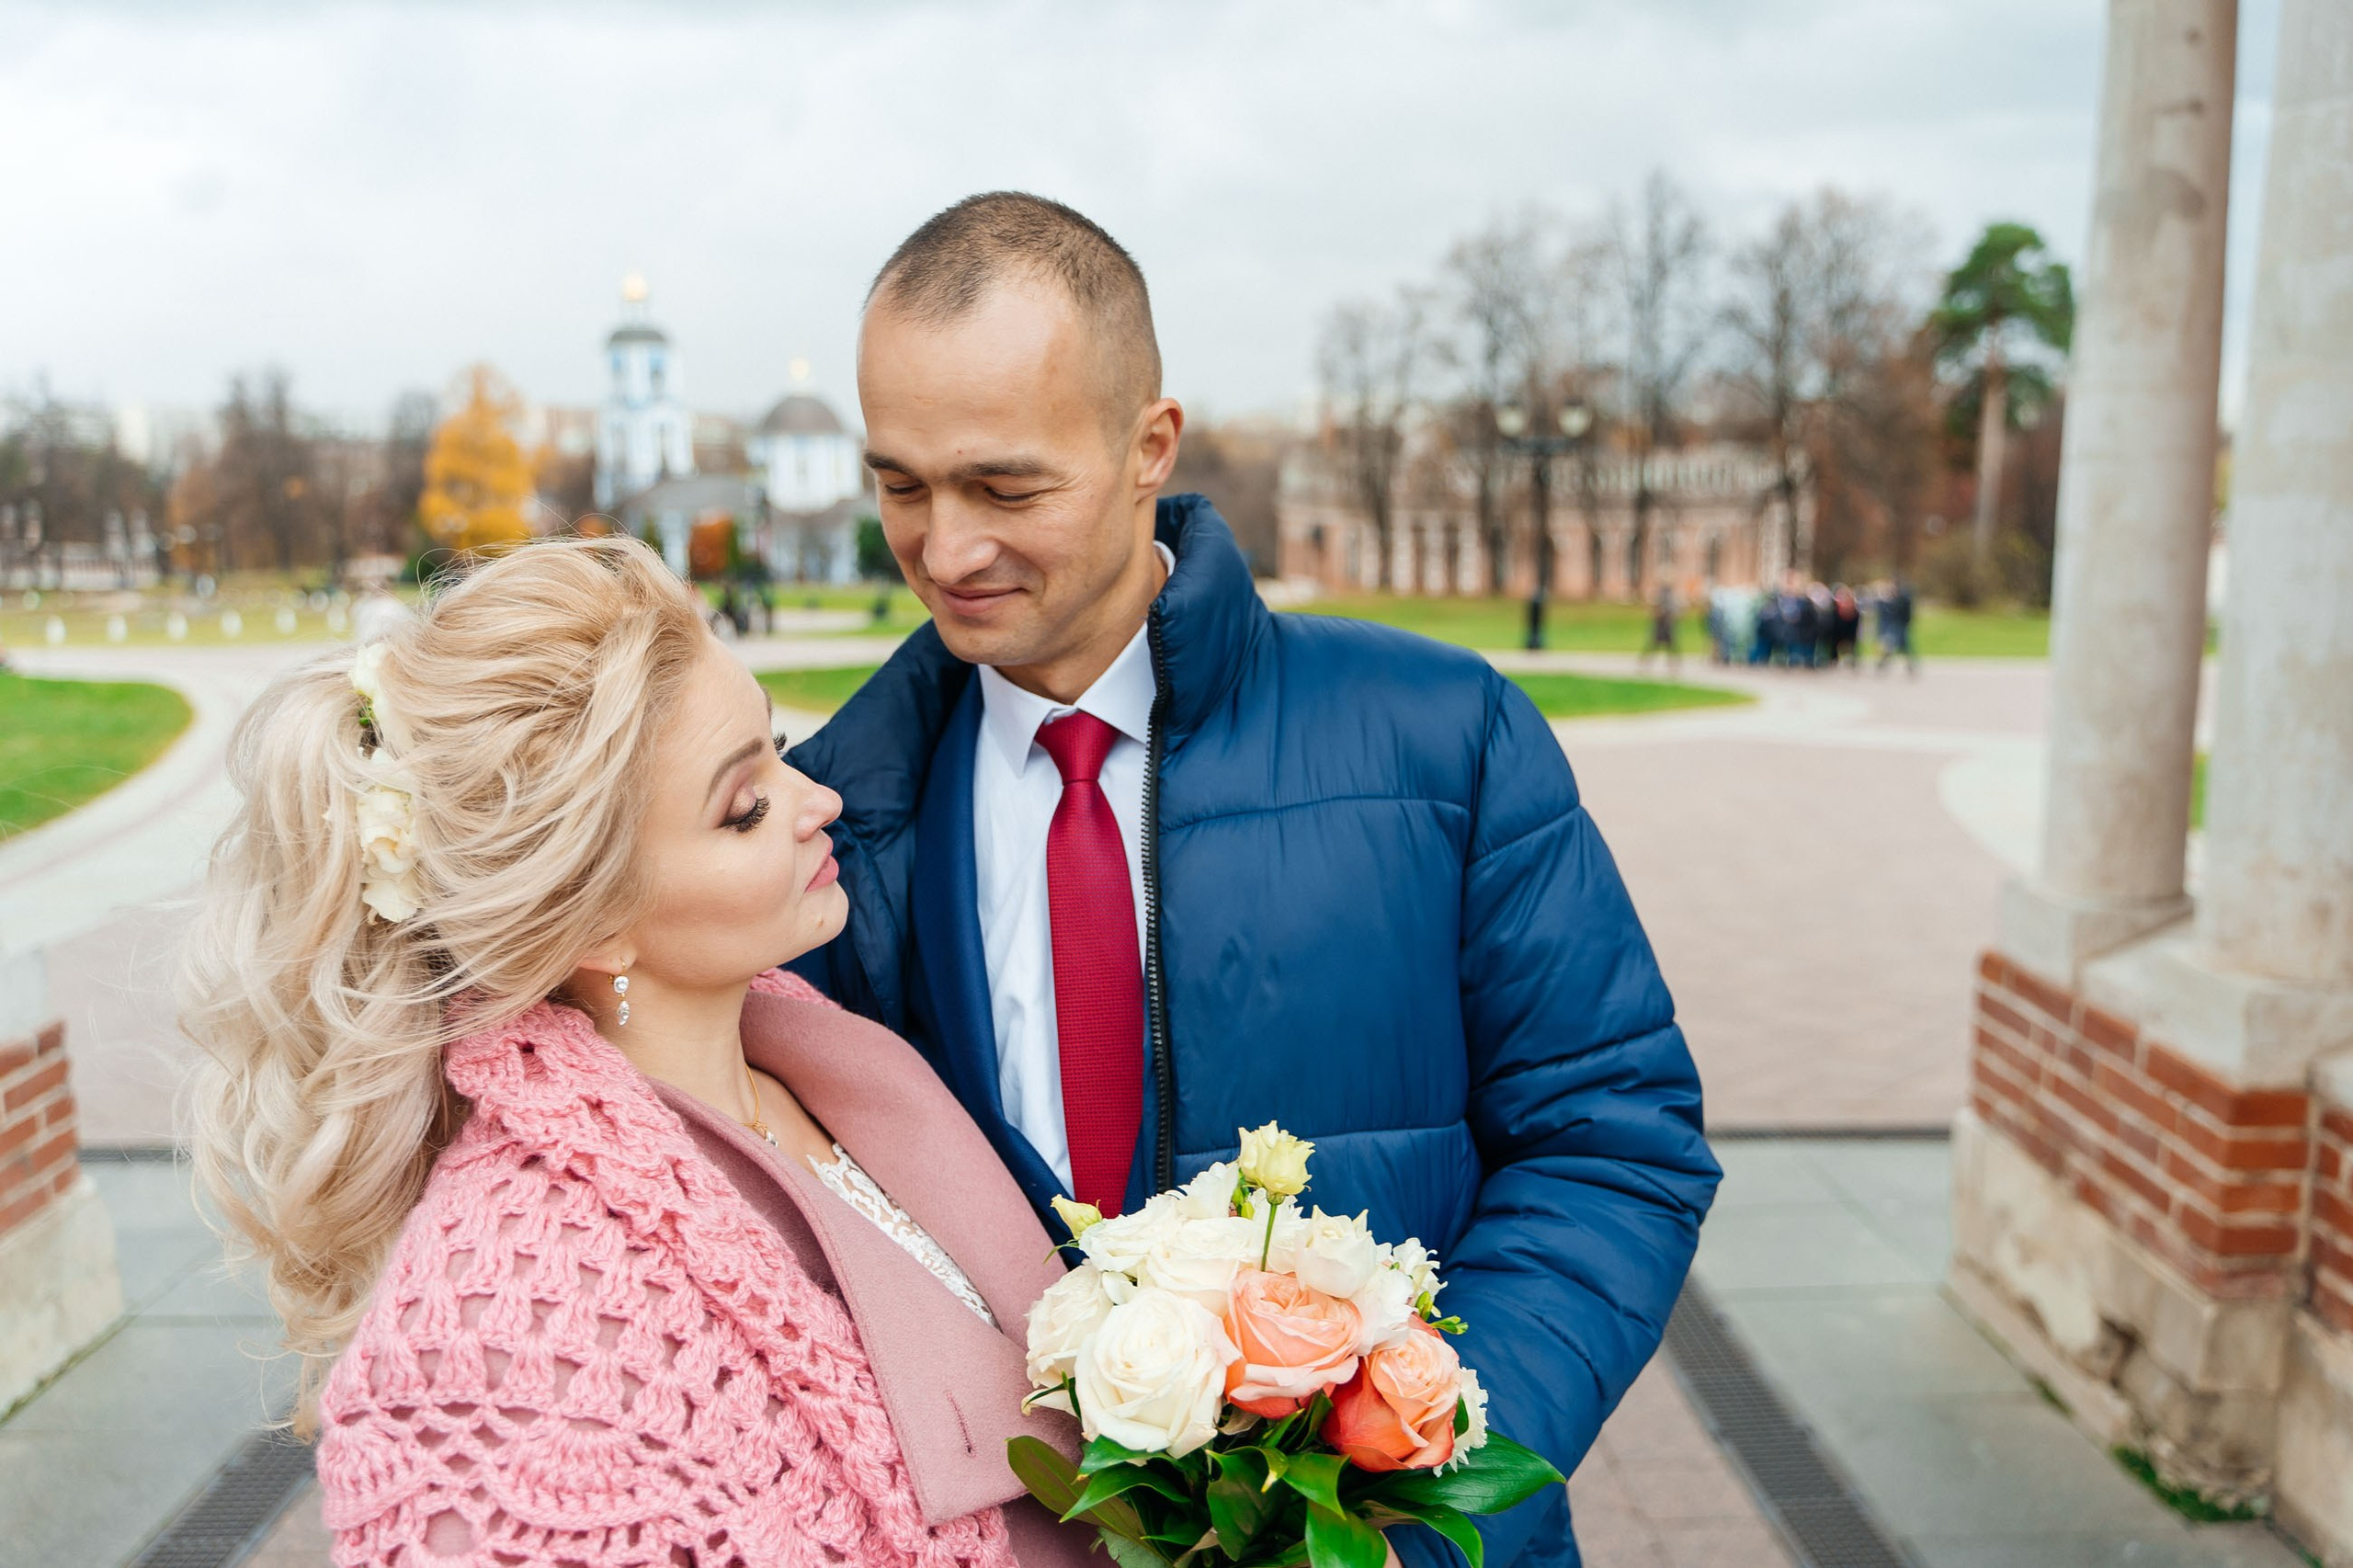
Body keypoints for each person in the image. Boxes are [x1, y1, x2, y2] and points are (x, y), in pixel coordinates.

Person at [786, 192, 1720, 1568]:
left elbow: (1612, 1140)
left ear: (1149, 444)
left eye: (1006, 488)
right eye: (901, 486)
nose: (947, 549)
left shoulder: (1444, 737)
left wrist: (1407, 1501)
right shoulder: (824, 827)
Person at [182, 538, 1091, 1568]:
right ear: (595, 920)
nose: (819, 801)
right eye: (744, 809)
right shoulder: (506, 1335)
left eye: (777, 747)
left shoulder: (827, 1060)